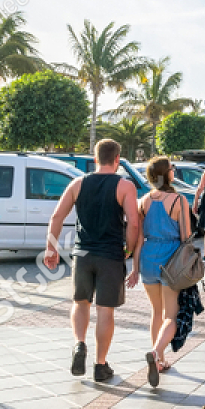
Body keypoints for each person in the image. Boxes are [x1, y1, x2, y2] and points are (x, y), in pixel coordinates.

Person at [44, 138, 142, 383]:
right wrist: (128, 249)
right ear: (117, 160)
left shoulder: (78, 183)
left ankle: (79, 344)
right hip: (110, 255)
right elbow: (133, 221)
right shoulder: (124, 186)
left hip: (82, 254)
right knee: (105, 311)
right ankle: (100, 365)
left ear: (95, 158)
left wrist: (51, 249)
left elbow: (56, 217)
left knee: (81, 302)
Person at [138, 156, 192, 387]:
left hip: (148, 257)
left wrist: (133, 267)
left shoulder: (144, 201)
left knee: (156, 311)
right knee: (171, 314)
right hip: (170, 259)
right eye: (172, 168)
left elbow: (138, 237)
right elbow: (186, 236)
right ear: (166, 174)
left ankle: (159, 361)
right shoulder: (178, 200)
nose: (174, 171)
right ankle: (157, 351)